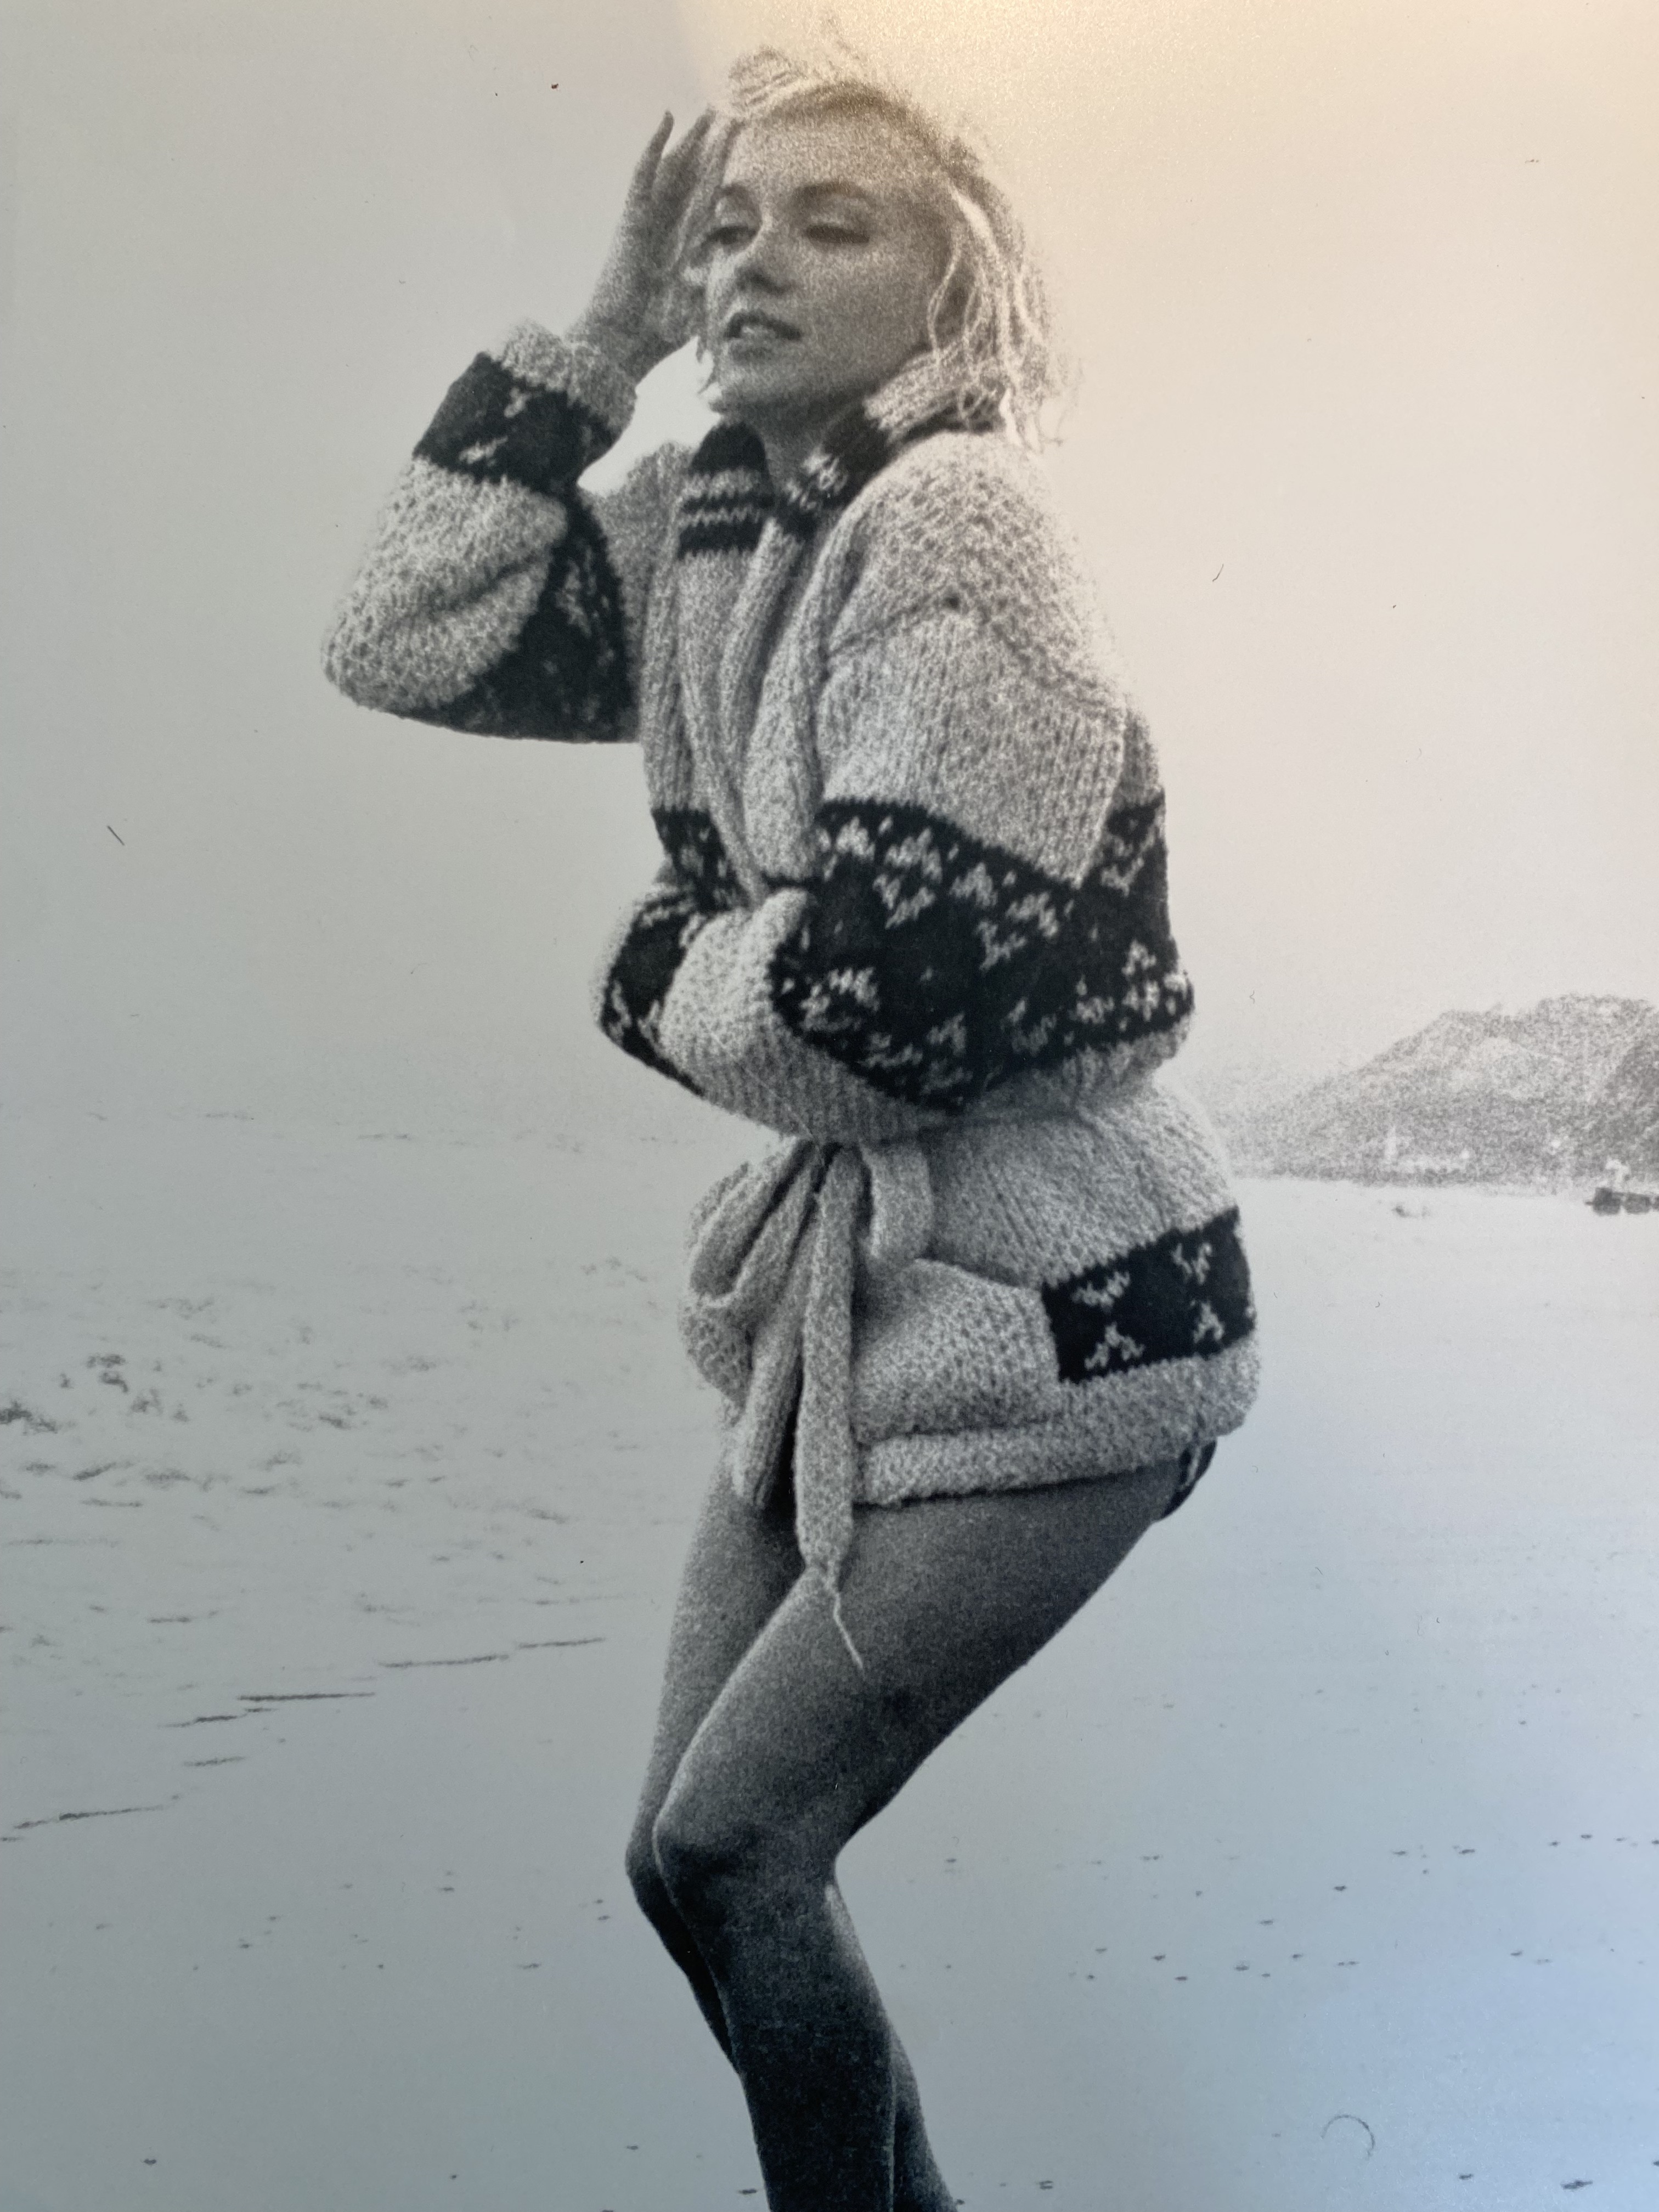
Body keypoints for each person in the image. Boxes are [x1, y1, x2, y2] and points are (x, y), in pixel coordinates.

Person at [324, 46, 1259, 2212]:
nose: (754, 261)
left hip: (1083, 1310)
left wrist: (648, 970)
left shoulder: (961, 530)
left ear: (956, 288)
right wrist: (602, 336)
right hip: (864, 1305)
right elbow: (398, 638)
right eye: (728, 223)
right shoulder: (718, 525)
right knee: (685, 1865)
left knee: (743, 1844)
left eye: (833, 225)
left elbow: (879, 1024)